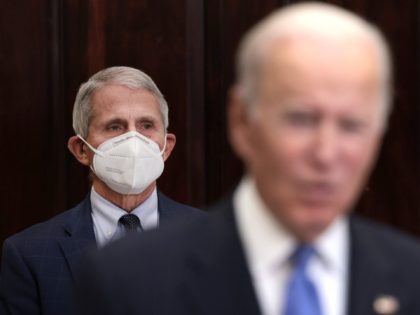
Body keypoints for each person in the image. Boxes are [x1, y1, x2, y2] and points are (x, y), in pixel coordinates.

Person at [76, 3, 420, 315]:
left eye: (351, 124)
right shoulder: (124, 277)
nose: (326, 153)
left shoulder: (410, 276)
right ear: (241, 121)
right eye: (299, 119)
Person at [0, 66, 201, 315]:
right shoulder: (29, 255)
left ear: (166, 147)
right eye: (115, 126)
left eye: (146, 125)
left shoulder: (218, 240)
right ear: (81, 150)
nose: (133, 140)